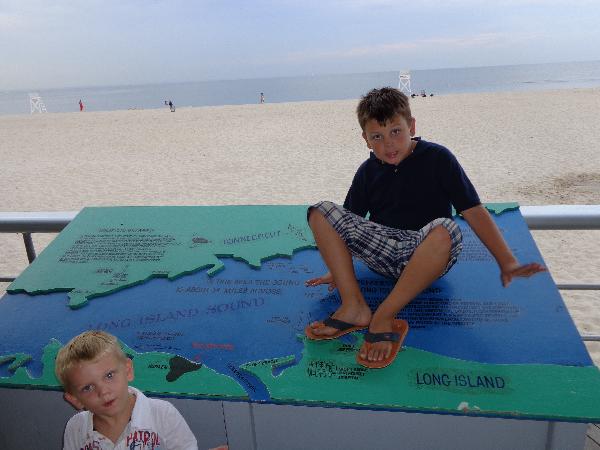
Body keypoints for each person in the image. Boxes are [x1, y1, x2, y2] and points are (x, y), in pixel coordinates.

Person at [305, 87, 546, 369]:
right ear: (365, 140)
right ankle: (353, 307)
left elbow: (473, 210)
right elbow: (348, 223)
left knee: (446, 228)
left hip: (427, 256)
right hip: (384, 255)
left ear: (412, 126)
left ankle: (384, 315)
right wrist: (337, 271)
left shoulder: (439, 159)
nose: (389, 144)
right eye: (377, 137)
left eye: (396, 131)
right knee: (320, 211)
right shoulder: (367, 172)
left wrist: (507, 262)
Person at [55, 330, 199, 450]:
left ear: (128, 370)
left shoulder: (163, 414)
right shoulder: (76, 428)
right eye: (88, 387)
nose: (103, 392)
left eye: (109, 375)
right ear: (75, 399)